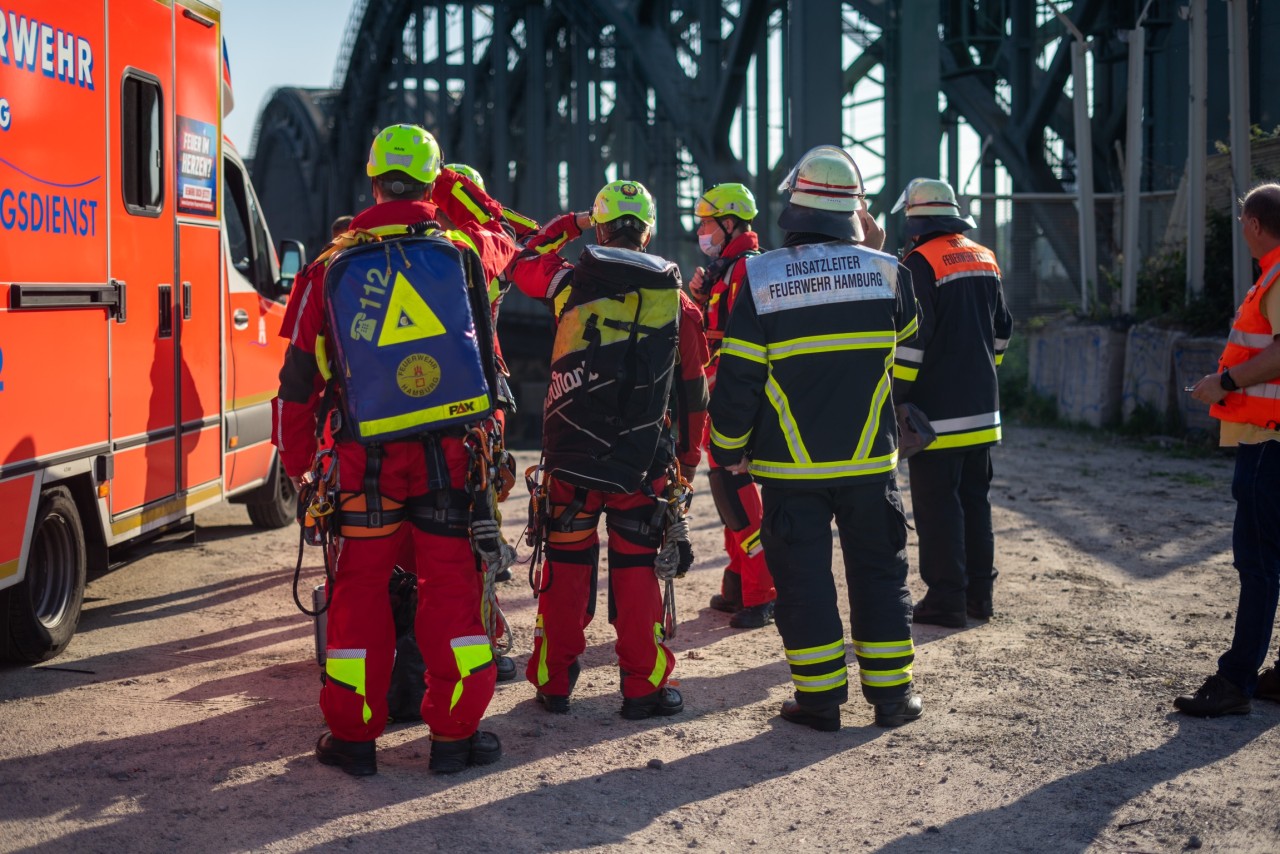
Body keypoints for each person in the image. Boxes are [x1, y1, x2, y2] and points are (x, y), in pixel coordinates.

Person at [273, 124, 518, 775]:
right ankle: (455, 736)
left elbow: (297, 384)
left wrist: (300, 467)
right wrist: (480, 205)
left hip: (363, 469)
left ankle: (353, 740)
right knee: (453, 596)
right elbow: (510, 251)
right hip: (453, 464)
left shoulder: (328, 266)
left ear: (374, 178)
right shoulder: (464, 251)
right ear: (435, 178)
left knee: (358, 596)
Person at [708, 145, 922, 731]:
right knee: (880, 572)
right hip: (868, 462)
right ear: (856, 212)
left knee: (803, 581)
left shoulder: (761, 277)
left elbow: (740, 377)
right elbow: (906, 366)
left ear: (795, 211)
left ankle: (820, 700)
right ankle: (893, 697)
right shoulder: (890, 274)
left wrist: (726, 449)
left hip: (788, 468)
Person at [508, 179, 709, 719]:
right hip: (643, 464)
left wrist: (569, 225)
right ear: (648, 232)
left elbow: (520, 260)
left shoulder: (568, 284)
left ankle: (553, 682)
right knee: (638, 574)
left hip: (572, 457)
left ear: (601, 228)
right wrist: (687, 464)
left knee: (566, 570)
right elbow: (693, 393)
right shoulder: (678, 303)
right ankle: (642, 689)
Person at [1175, 182, 1280, 717]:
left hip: (1268, 438)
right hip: (1269, 435)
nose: (1241, 230)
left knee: (1258, 563)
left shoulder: (1278, 276)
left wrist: (1227, 382)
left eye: (1242, 221)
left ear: (1255, 225)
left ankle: (1235, 680)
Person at [889, 178, 1013, 628]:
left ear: (915, 221)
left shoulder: (920, 262)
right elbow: (1002, 331)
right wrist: (982, 371)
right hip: (983, 408)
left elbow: (910, 346)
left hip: (935, 415)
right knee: (974, 504)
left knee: (938, 508)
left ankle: (945, 601)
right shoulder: (985, 257)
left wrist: (894, 396)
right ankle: (980, 596)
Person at [686, 183, 777, 629]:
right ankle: (739, 580)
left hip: (734, 398)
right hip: (719, 393)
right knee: (724, 485)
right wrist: (702, 298)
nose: (701, 231)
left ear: (729, 223)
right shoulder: (726, 269)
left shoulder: (747, 269)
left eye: (706, 223)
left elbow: (745, 343)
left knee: (737, 488)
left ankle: (762, 592)